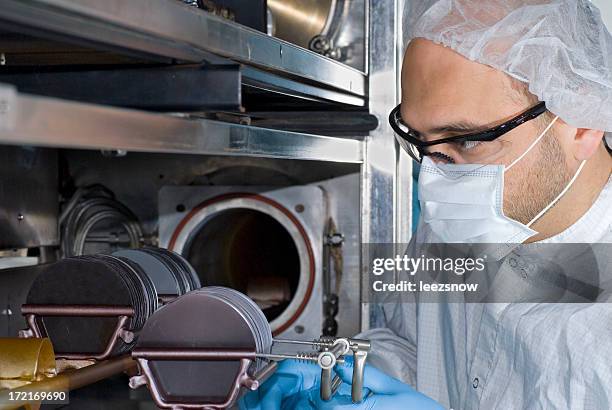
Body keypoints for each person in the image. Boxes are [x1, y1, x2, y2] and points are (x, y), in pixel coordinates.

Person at [241, 0, 612, 408]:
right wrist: (345, 377)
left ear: (580, 121)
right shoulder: (459, 219)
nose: (435, 183)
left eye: (467, 141)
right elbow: (409, 342)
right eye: (419, 142)